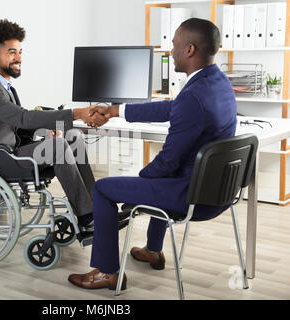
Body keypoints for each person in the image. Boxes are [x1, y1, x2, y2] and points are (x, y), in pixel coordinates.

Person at [68, 18, 237, 290]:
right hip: (218, 192)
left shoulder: (194, 96)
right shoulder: (218, 83)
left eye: (174, 45)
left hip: (192, 196)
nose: (171, 51)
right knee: (160, 174)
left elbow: (167, 162)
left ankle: (107, 272)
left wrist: (140, 182)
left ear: (190, 49)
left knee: (103, 189)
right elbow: (172, 108)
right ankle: (153, 250)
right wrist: (115, 110)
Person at [0, 19, 106, 232]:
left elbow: (16, 124)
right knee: (58, 147)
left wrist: (45, 130)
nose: (19, 58)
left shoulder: (1, 84)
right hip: (0, 159)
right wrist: (77, 113)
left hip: (11, 151)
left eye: (20, 52)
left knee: (72, 136)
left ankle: (95, 207)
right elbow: (22, 117)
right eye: (12, 52)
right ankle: (87, 218)